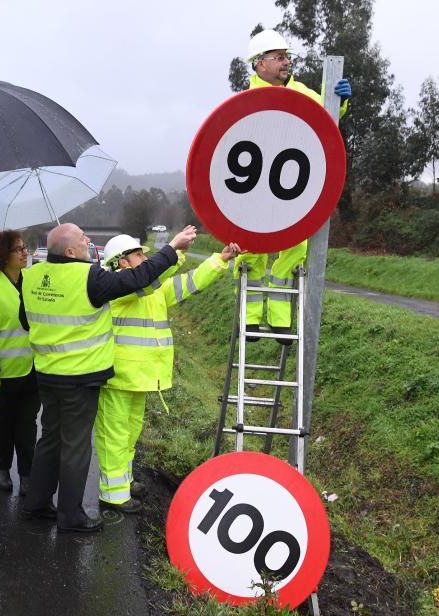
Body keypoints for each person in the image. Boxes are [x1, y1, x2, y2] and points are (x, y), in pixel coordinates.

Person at [20, 223, 198, 533]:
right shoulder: (89, 277)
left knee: (49, 440)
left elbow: (26, 319)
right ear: (71, 251)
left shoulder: (31, 276)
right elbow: (138, 278)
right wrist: (173, 248)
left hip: (47, 374)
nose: (89, 241)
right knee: (76, 447)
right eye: (83, 239)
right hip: (80, 376)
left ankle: (36, 504)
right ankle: (70, 516)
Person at [94, 235, 240, 513]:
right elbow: (148, 280)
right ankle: (112, 494)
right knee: (113, 436)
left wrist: (218, 261)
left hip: (139, 376)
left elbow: (188, 284)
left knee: (129, 433)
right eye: (140, 255)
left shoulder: (151, 290)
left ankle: (122, 482)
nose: (146, 260)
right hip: (117, 378)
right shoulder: (118, 289)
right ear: (122, 262)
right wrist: (174, 252)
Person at [239, 28, 352, 343]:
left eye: (287, 56)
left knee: (294, 248)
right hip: (256, 189)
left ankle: (279, 322)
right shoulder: (247, 99)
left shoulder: (303, 91)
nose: (286, 62)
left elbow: (327, 117)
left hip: (293, 187)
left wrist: (338, 100)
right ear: (260, 64)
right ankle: (249, 322)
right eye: (279, 57)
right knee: (252, 253)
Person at [0, 231, 38, 496]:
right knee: (4, 426)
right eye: (18, 249)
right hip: (3, 374)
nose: (25, 253)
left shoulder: (34, 283)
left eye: (26, 248)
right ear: (4, 255)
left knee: (27, 427)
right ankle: (3, 470)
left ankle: (27, 475)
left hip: (33, 370)